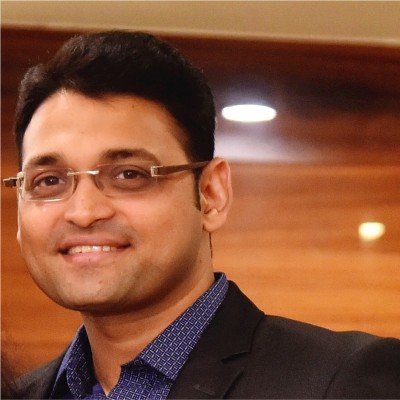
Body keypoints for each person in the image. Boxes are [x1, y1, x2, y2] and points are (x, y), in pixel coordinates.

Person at [3, 30, 399, 399]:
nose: (84, 212)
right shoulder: (21, 394)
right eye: (49, 181)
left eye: (129, 175)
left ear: (211, 194)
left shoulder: (342, 381)